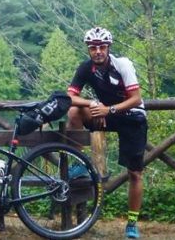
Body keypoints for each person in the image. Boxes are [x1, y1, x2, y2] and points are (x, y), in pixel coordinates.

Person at [66, 26, 148, 239]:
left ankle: (132, 223)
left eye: (102, 46)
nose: (98, 51)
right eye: (93, 48)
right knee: (74, 111)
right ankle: (79, 164)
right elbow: (70, 97)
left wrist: (108, 109)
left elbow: (136, 98)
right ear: (88, 49)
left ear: (108, 47)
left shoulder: (123, 65)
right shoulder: (86, 68)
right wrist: (93, 103)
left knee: (135, 173)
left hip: (132, 117)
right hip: (106, 113)